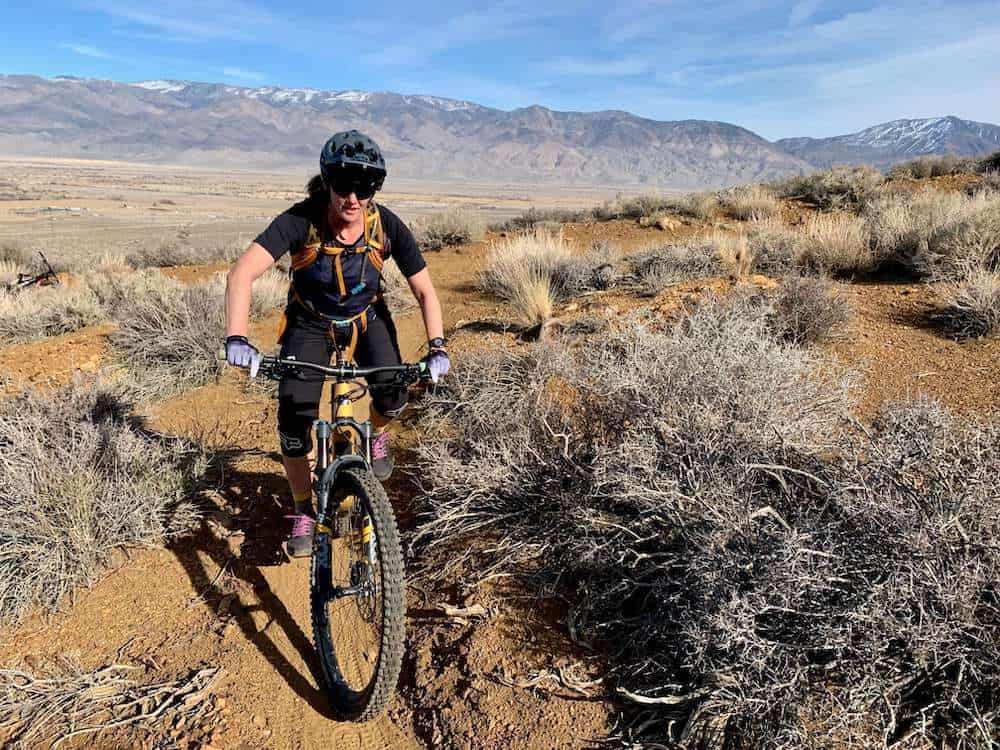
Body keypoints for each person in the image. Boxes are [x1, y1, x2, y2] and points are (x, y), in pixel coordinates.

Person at [223, 130, 449, 557]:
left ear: (374, 190)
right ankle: (303, 506)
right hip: (309, 322)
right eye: (342, 185)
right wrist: (237, 337)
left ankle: (375, 435)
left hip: (367, 318)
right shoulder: (300, 221)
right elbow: (242, 274)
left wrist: (437, 346)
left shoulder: (386, 227)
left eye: (364, 188)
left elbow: (425, 291)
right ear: (326, 182)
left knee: (394, 393)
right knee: (294, 422)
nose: (352, 197)